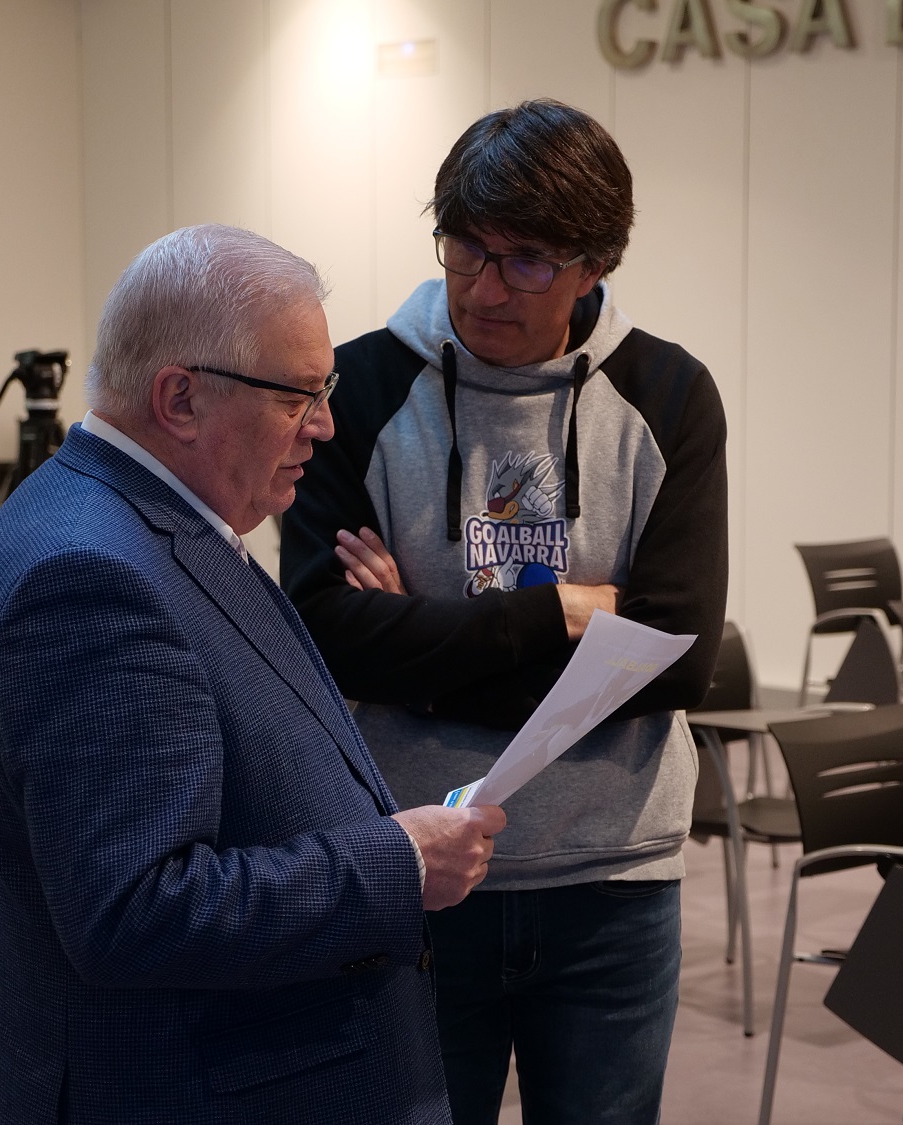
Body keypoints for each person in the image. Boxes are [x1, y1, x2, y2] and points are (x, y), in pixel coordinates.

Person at [0, 224, 506, 1125]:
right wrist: (395, 860)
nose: (324, 424)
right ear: (180, 398)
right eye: (300, 395)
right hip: (198, 1085)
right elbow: (137, 910)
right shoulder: (93, 574)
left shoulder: (150, 520)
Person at [281, 100, 728, 1124]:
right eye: (465, 249)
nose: (485, 288)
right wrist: (567, 617)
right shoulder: (357, 385)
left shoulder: (668, 394)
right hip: (416, 863)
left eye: (527, 260)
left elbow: (680, 659)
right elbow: (324, 637)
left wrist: (417, 644)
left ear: (596, 262)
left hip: (612, 876)